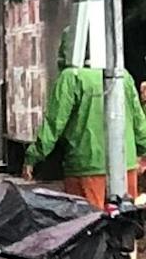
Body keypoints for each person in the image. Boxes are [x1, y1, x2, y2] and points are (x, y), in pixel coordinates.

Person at [27, 63, 145, 207]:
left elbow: (53, 124)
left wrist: (32, 158)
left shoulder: (71, 77)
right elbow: (139, 124)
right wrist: (141, 153)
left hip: (86, 165)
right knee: (126, 222)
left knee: (88, 223)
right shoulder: (123, 76)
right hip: (125, 165)